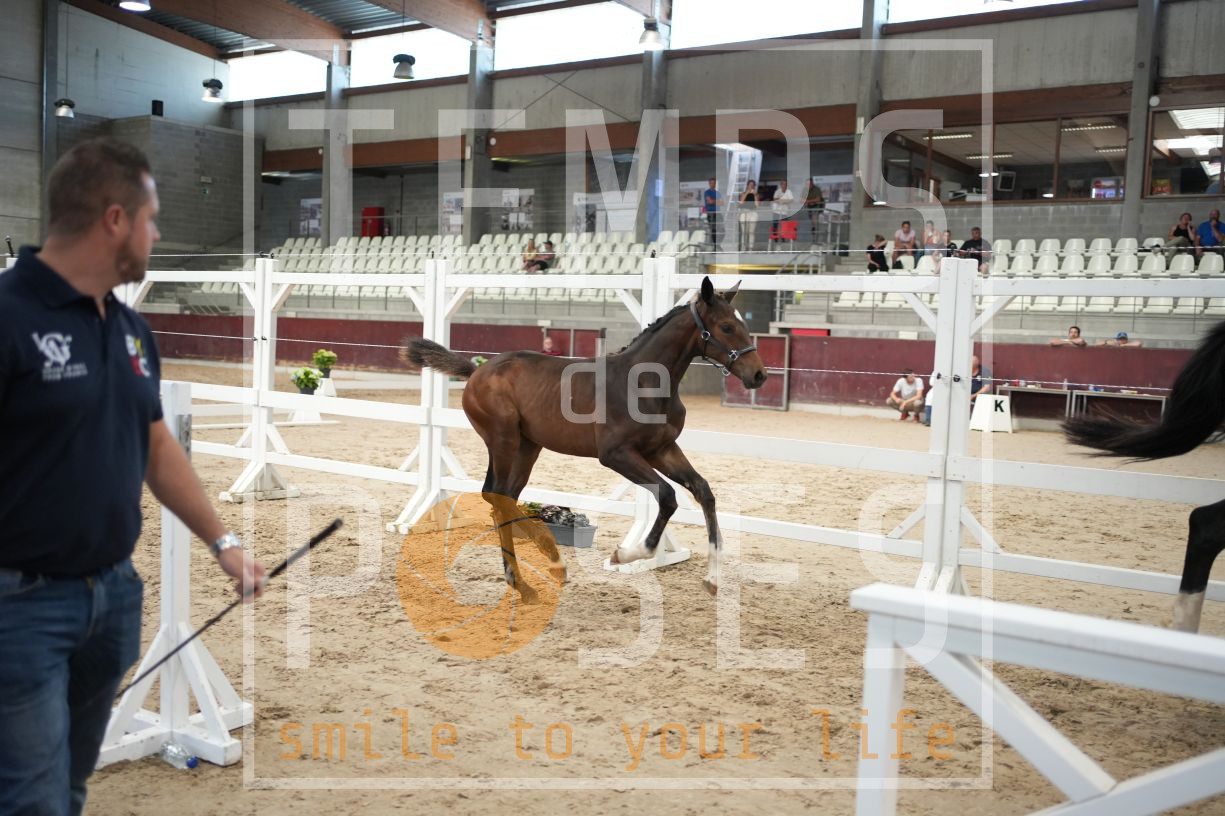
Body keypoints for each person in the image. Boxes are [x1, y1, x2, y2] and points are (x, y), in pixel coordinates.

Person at [0, 138, 268, 815]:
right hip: (20, 606)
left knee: (69, 786)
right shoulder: (8, 316)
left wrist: (223, 542)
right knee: (32, 800)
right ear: (114, 219)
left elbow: (155, 446)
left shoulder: (130, 330)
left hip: (113, 598)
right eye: (152, 219)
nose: (158, 234)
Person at [739, 180, 760, 251]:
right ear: (747, 186)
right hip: (744, 212)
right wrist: (747, 193)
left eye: (753, 185)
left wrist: (755, 195)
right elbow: (741, 202)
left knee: (751, 232)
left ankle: (751, 248)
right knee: (744, 232)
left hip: (753, 213)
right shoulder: (743, 193)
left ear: (754, 186)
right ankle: (743, 247)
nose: (751, 186)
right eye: (750, 185)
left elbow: (757, 205)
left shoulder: (756, 194)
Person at [702, 178, 721, 245]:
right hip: (710, 213)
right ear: (709, 184)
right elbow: (709, 201)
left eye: (714, 183)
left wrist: (713, 201)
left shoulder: (718, 193)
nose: (713, 184)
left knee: (718, 229)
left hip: (717, 213)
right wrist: (716, 201)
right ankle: (713, 244)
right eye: (711, 183)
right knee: (712, 229)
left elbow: (722, 203)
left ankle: (716, 243)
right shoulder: (707, 192)